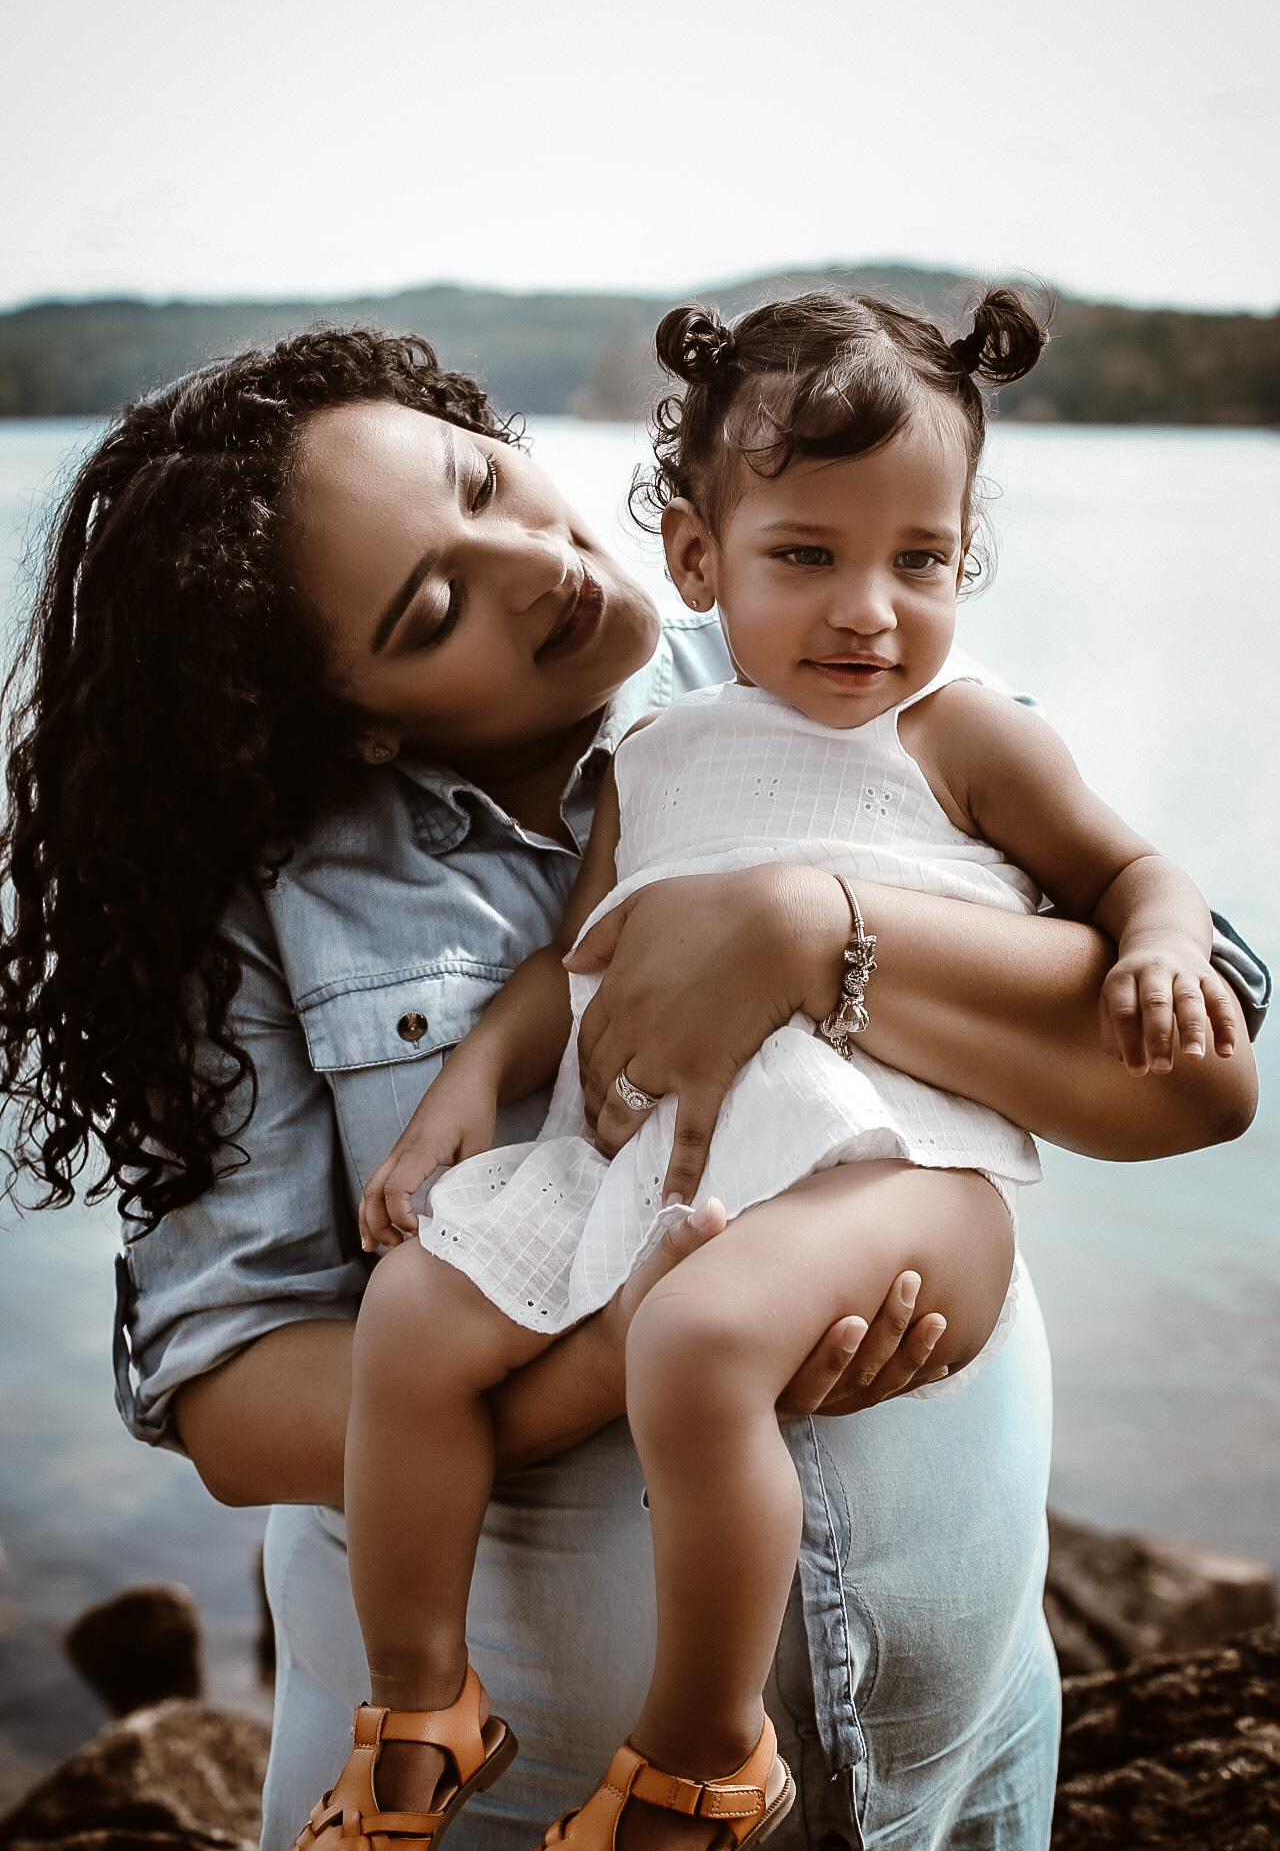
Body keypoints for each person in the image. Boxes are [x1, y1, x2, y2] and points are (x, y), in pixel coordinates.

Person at [0, 325, 1261, 1851]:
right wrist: (609, 1355)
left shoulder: (847, 653)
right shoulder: (267, 897)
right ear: (351, 717)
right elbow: (232, 1400)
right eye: (434, 606)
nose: (534, 563)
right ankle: (436, 1722)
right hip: (520, 1818)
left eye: (482, 479)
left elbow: (1196, 1082)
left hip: (946, 1784)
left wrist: (820, 932)